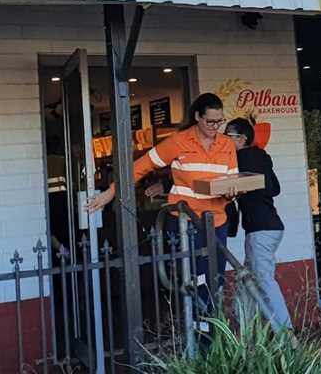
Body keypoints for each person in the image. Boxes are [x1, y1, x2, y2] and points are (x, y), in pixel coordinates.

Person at [86, 92, 237, 304]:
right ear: (197, 117)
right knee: (196, 282)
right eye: (210, 121)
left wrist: (232, 193)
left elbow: (232, 180)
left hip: (217, 221)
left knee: (216, 280)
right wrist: (112, 191)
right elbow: (142, 166)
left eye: (219, 121)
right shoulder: (178, 141)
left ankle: (214, 333)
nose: (215, 126)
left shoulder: (227, 144)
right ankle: (200, 330)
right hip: (186, 223)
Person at [224, 118, 292, 331]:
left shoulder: (242, 157)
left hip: (260, 228)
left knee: (263, 279)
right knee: (249, 278)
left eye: (228, 136)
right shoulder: (262, 157)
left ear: (242, 138)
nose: (224, 140)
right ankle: (245, 323)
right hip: (270, 226)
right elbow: (275, 189)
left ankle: (285, 331)